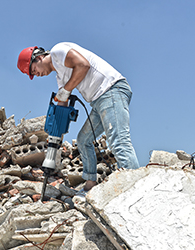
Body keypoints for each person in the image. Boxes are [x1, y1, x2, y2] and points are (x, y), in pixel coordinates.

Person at [17, 42, 140, 192]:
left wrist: (66, 90)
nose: (37, 75)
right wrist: (55, 135)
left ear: (38, 58)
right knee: (83, 140)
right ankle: (90, 186)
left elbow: (83, 65)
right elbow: (62, 103)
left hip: (111, 91)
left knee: (118, 141)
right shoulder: (61, 77)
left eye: (34, 70)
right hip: (98, 102)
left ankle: (134, 188)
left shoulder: (58, 51)